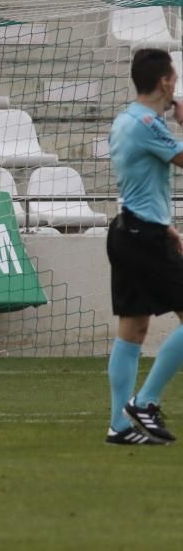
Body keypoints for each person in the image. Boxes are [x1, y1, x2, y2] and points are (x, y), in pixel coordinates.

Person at [102, 49, 183, 445]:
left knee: (132, 330)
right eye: (175, 78)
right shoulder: (149, 123)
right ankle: (145, 401)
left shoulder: (126, 119)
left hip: (130, 230)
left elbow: (141, 181)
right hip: (143, 237)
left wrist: (163, 223)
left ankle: (118, 425)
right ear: (165, 81)